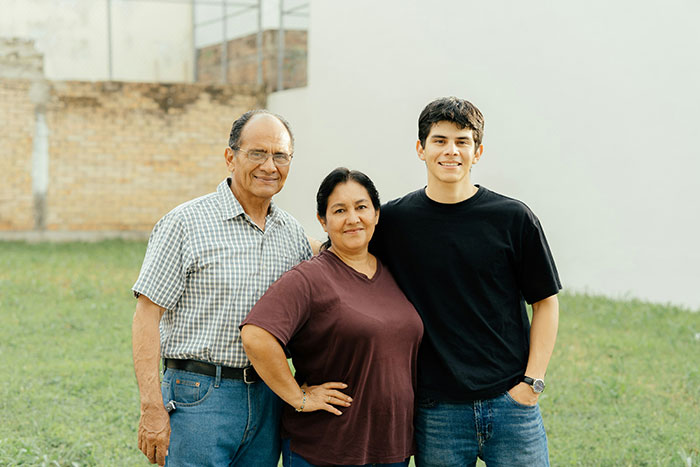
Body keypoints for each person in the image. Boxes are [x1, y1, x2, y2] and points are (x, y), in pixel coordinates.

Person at [369, 97, 561, 466]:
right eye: (439, 140)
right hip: (437, 410)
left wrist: (531, 383)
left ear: (478, 151)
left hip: (511, 404)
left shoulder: (513, 218)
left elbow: (545, 302)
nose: (451, 151)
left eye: (462, 141)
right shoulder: (393, 222)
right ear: (420, 149)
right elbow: (346, 251)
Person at [131, 109, 313, 466]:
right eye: (257, 153)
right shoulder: (185, 223)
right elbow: (146, 316)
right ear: (230, 157)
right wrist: (151, 406)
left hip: (268, 397)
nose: (269, 166)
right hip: (198, 397)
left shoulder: (293, 236)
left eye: (280, 156)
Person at [240, 168, 424, 467]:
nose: (353, 219)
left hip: (391, 447)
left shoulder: (394, 272)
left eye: (361, 207)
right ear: (323, 221)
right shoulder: (310, 278)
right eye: (339, 210)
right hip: (326, 448)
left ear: (376, 214)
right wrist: (298, 397)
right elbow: (256, 335)